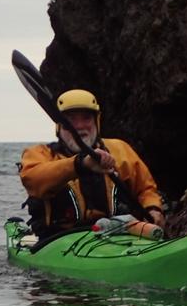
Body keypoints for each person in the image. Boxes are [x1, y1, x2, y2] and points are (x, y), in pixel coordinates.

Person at [18, 88, 166, 239]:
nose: (79, 126)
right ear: (59, 125)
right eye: (71, 119)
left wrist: (153, 208)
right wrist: (80, 164)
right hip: (59, 238)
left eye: (86, 118)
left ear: (97, 121)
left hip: (119, 234)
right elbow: (33, 180)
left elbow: (145, 189)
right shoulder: (40, 154)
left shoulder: (120, 150)